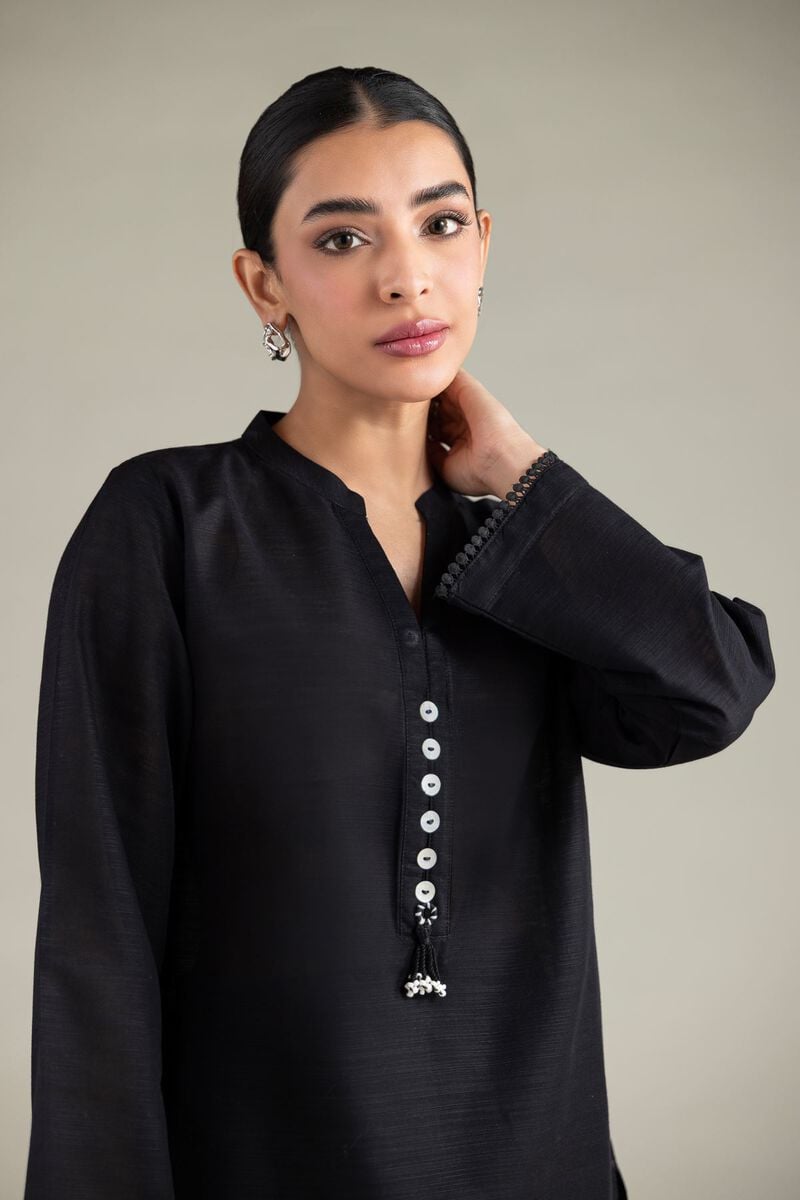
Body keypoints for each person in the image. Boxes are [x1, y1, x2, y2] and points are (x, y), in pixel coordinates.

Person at [23, 65, 776, 1200]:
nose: (405, 277)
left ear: (483, 245)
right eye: (341, 239)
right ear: (264, 285)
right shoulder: (170, 527)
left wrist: (525, 477)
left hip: (539, 1162)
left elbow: (709, 689)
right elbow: (100, 931)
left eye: (439, 224)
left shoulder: (524, 549)